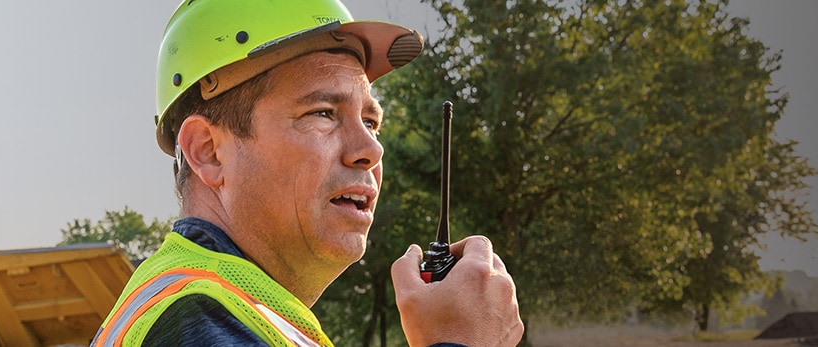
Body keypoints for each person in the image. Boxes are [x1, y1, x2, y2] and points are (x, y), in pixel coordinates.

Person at [90, 0, 524, 346]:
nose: (371, 149)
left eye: (371, 122)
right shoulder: (194, 319)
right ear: (209, 153)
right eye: (322, 113)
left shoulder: (252, 317)